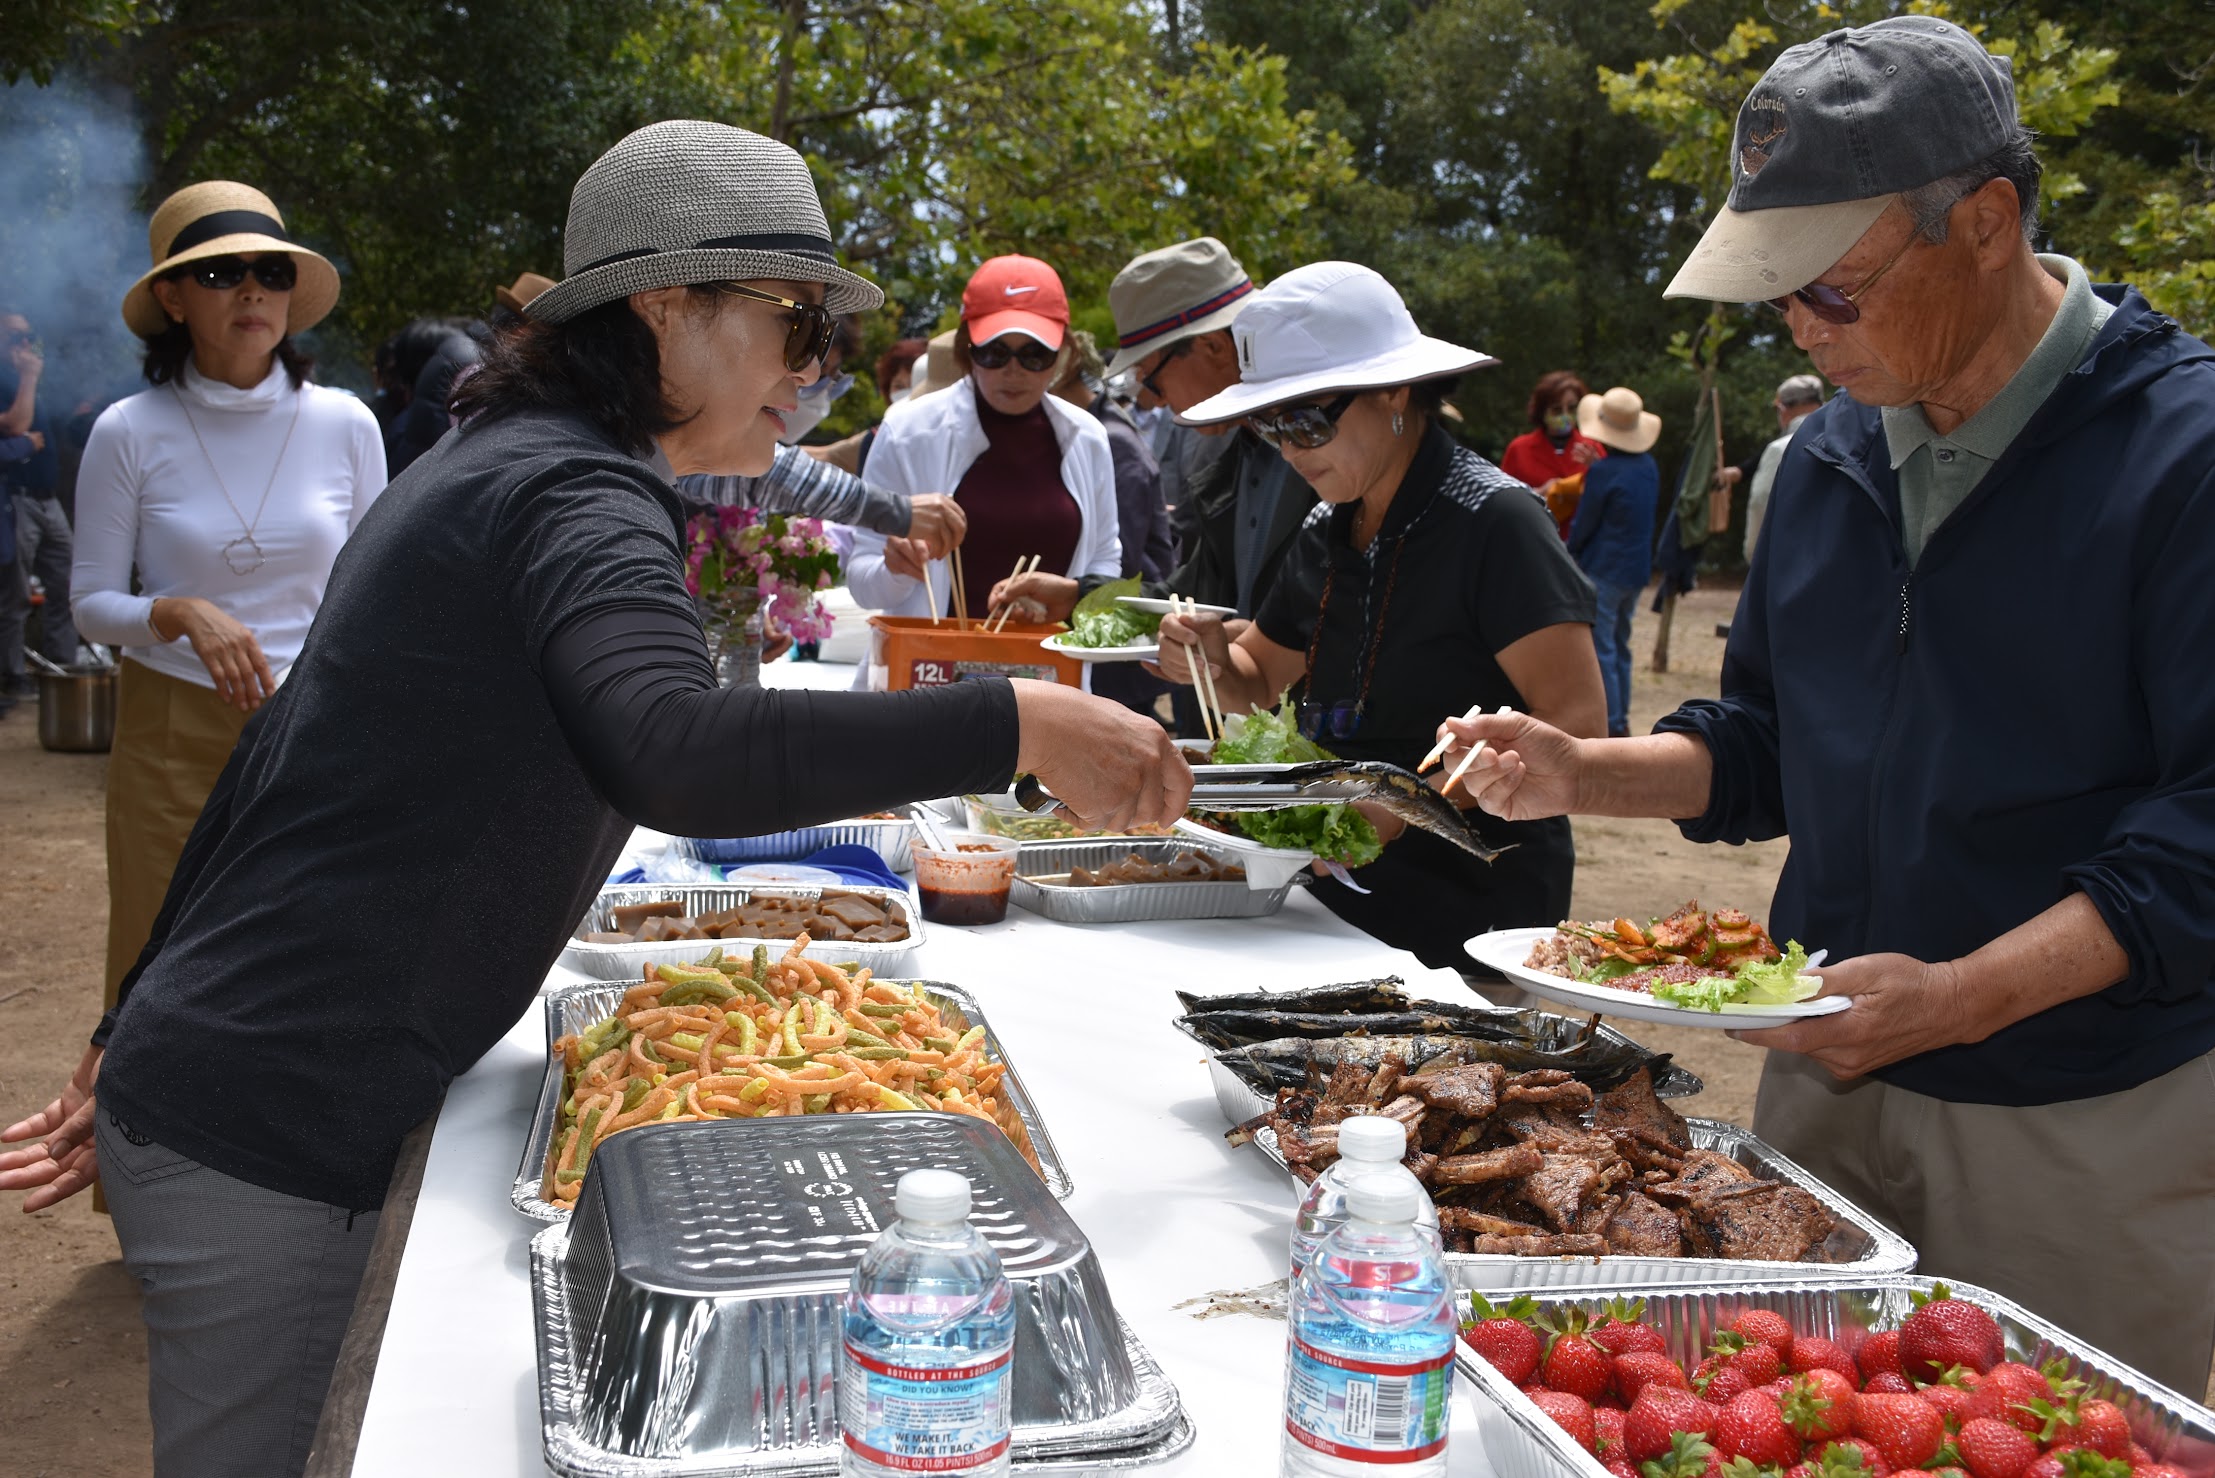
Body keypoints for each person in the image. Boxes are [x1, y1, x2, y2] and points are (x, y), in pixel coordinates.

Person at [0, 122, 1186, 1477]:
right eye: (796, 325)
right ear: (665, 308)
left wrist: (134, 1006)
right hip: (271, 1127)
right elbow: (671, 748)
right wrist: (1015, 716)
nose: (813, 374)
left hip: (246, 1076)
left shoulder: (505, 454)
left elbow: (285, 757)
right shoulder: (572, 485)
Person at [1435, 16, 2215, 1392]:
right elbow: (1772, 744)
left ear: (1982, 221)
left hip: (2077, 1110)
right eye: (1773, 292)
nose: (1797, 325)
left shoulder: (2181, 452)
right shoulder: (1818, 462)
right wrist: (1580, 767)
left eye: (1831, 290)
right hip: (1823, 1076)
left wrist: (1963, 995)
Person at [1158, 261, 1605, 969]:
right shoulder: (1326, 523)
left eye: (1305, 421)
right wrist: (1209, 659)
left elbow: (1577, 728)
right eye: (1268, 425)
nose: (1288, 450)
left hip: (1472, 904)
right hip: (1334, 897)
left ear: (1394, 389)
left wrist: (1405, 805)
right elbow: (1256, 680)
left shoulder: (1495, 521)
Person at [69, 181, 388, 1018]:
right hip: (171, 725)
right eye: (220, 275)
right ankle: (124, 1139)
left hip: (310, 724)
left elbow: (376, 588)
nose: (252, 291)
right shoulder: (129, 430)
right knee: (156, 954)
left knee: (303, 950)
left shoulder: (347, 423)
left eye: (271, 271)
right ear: (171, 298)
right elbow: (90, 603)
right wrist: (176, 610)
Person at [847, 254, 1120, 635]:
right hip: (932, 678)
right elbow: (862, 581)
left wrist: (1074, 597)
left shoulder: (1087, 436)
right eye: (993, 352)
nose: (1013, 371)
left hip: (1048, 678)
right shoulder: (907, 431)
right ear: (966, 349)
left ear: (1062, 354)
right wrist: (895, 569)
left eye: (1034, 355)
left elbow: (1105, 558)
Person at [1564, 386, 1661, 738]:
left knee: (1601, 647)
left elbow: (1584, 524)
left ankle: (1613, 724)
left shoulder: (1605, 472)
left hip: (1604, 568)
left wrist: (1568, 551)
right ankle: (1621, 717)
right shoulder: (1648, 466)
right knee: (1620, 644)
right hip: (1635, 570)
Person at [1, 310, 76, 697]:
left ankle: (63, 666)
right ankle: (14, 676)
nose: (25, 346)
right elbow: (15, 425)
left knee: (68, 582)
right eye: (15, 338)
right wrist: (29, 378)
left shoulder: (26, 380)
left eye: (28, 337)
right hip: (16, 501)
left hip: (49, 502)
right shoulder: (8, 380)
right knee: (14, 595)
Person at [1497, 369, 1608, 536]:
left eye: (1571, 408)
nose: (1565, 416)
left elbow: (1610, 499)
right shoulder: (1519, 449)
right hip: (1534, 540)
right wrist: (1539, 492)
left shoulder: (1591, 448)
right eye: (1557, 410)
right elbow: (1502, 501)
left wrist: (1598, 470)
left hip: (1581, 546)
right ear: (1542, 412)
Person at [1743, 372, 1824, 562]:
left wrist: (1753, 556)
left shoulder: (1780, 450)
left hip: (1790, 562)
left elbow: (1760, 502)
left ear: (1782, 408)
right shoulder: (1849, 441)